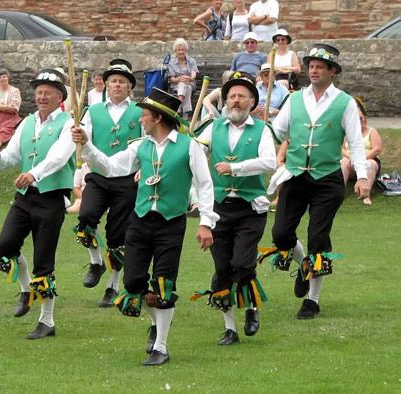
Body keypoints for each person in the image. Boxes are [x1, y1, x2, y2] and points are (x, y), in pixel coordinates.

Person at [72, 87, 217, 366]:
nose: (140, 120)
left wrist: (206, 223)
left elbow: (204, 185)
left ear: (159, 119)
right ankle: (156, 324)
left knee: (163, 285)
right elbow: (111, 167)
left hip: (170, 223)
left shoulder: (190, 147)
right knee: (133, 283)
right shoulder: (140, 145)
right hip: (139, 221)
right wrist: (88, 145)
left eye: (145, 115)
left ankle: (160, 347)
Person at [267, 43, 370, 320]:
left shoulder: (345, 102)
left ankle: (312, 300)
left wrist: (361, 177)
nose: (313, 70)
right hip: (296, 175)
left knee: (318, 239)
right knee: (280, 235)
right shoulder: (295, 98)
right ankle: (304, 267)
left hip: (327, 178)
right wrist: (263, 126)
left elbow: (357, 144)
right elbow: (277, 132)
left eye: (319, 66)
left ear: (332, 71)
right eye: (310, 66)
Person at [0, 69, 75, 339]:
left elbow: (59, 157)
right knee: (6, 245)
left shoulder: (69, 124)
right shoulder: (27, 123)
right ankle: (25, 290)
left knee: (44, 262)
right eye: (39, 92)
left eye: (48, 92)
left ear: (60, 96)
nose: (42, 96)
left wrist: (35, 173)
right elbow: (11, 157)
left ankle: (47, 321)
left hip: (52, 199)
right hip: (25, 198)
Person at [193, 73, 276, 346]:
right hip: (218, 209)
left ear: (252, 101)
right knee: (222, 268)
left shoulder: (262, 130)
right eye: (231, 96)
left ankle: (251, 308)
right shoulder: (212, 127)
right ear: (225, 101)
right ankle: (230, 328)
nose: (236, 101)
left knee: (242, 264)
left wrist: (236, 168)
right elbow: (194, 154)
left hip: (250, 208)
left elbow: (269, 163)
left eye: (242, 96)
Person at [73, 59, 143, 307]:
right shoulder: (92, 111)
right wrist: (80, 173)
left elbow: (148, 144)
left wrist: (145, 169)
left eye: (122, 82)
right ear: (106, 85)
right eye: (113, 81)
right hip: (99, 177)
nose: (117, 85)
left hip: (127, 180)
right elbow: (83, 143)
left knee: (117, 235)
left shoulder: (140, 111)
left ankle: (112, 286)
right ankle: (96, 262)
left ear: (129, 87)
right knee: (87, 217)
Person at [341, 98, 382, 205]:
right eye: (358, 119)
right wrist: (350, 156)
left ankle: (366, 195)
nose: (362, 121)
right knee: (343, 162)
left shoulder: (371, 131)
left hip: (366, 159)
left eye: (363, 118)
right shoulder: (347, 133)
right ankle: (339, 192)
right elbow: (341, 149)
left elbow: (377, 149)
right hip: (350, 162)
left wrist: (360, 158)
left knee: (370, 164)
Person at [168, 38, 199, 120]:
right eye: (179, 50)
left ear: (186, 50)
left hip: (190, 83)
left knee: (186, 85)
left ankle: (178, 104)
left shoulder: (191, 61)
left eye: (183, 50)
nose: (181, 52)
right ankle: (185, 113)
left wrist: (189, 78)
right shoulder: (171, 63)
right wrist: (179, 79)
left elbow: (193, 75)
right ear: (175, 51)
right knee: (185, 86)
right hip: (176, 84)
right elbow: (172, 79)